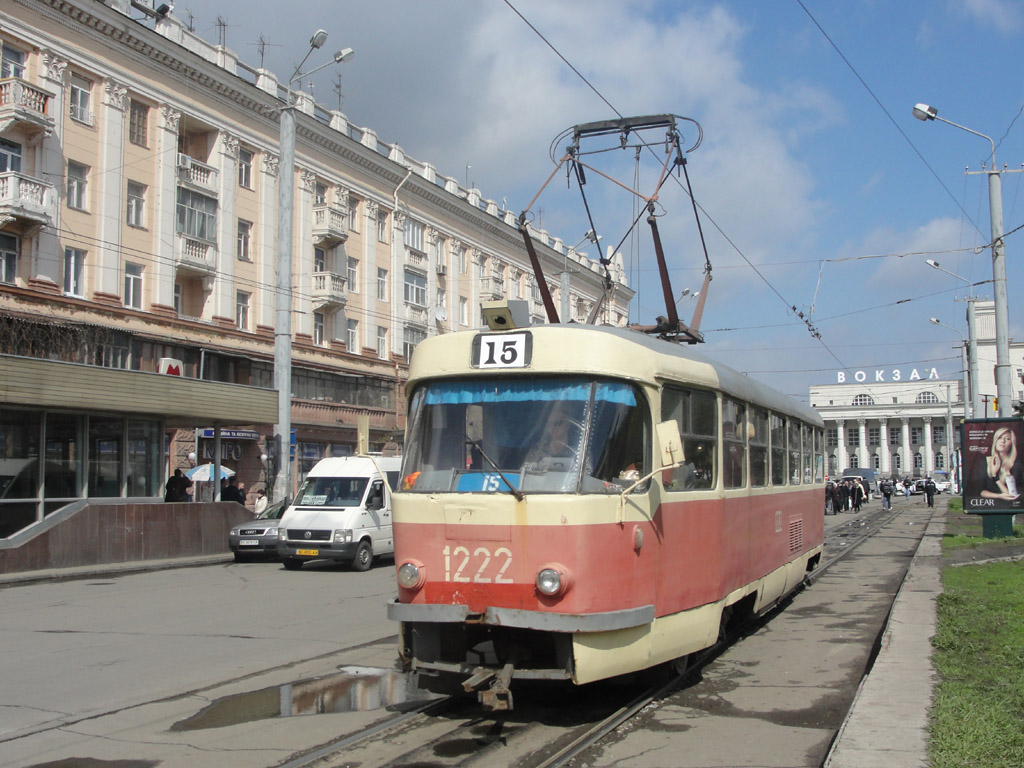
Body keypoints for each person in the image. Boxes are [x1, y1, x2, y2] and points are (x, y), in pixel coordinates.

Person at [977, 427, 1024, 503]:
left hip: (1009, 507)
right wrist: (999, 496)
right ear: (995, 440)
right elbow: (981, 491)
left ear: (1012, 444)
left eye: (1008, 439)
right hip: (990, 505)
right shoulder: (984, 462)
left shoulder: (1016, 464)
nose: (1003, 441)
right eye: (1000, 438)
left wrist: (995, 477)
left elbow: (1011, 495)